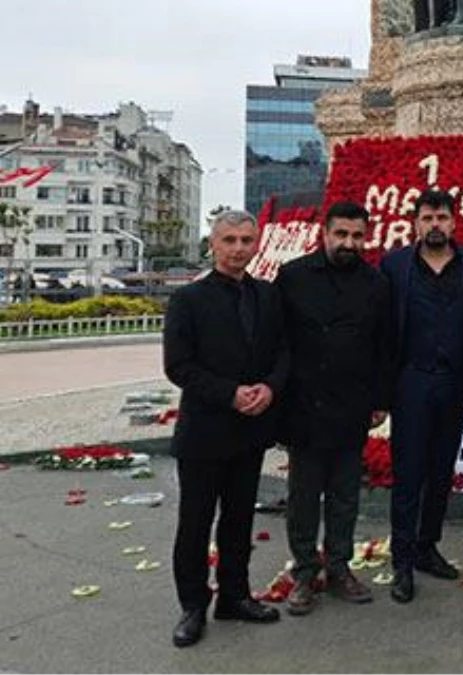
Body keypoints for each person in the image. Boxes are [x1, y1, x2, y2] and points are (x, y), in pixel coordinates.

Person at [163, 209, 288, 647]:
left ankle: (234, 595)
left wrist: (271, 388)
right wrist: (230, 393)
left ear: (257, 244)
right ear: (212, 244)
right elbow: (178, 366)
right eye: (229, 240)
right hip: (204, 431)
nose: (238, 249)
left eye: (246, 241)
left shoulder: (269, 296)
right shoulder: (188, 300)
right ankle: (193, 606)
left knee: (238, 520)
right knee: (195, 523)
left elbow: (283, 353)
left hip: (250, 431)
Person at [275, 202, 390, 615]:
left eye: (357, 236)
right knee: (304, 495)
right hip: (304, 405)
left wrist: (380, 400)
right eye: (341, 234)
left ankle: (339, 567)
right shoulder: (292, 277)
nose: (348, 243)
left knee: (344, 495)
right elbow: (278, 342)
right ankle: (305, 572)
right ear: (325, 233)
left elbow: (383, 348)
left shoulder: (376, 284)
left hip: (351, 405)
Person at [379, 189, 463, 603]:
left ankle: (427, 547)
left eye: (442, 217)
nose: (435, 224)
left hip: (456, 382)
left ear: (453, 222)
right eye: (428, 217)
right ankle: (402, 562)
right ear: (416, 223)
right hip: (411, 383)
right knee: (409, 474)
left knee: (441, 471)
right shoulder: (394, 266)